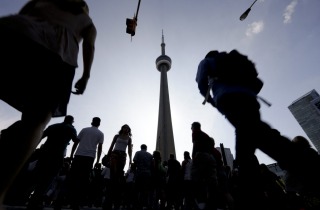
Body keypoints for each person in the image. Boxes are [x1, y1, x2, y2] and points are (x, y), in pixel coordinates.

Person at [0, 0, 96, 209]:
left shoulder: (42, 2)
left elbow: (23, 14)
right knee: (36, 121)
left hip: (19, 35)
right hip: (56, 58)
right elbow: (89, 45)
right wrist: (86, 76)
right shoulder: (87, 22)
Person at [196, 50, 320, 209]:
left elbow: (201, 83)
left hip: (228, 99)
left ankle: (308, 169)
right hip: (248, 98)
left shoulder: (206, 62)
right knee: (255, 137)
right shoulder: (229, 59)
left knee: (256, 139)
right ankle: (252, 191)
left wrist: (212, 101)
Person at [26, 115, 79, 210]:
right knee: (48, 178)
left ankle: (25, 197)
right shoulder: (71, 128)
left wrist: (34, 148)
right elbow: (75, 140)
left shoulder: (53, 126)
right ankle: (35, 201)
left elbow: (40, 136)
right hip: (57, 156)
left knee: (37, 175)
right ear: (72, 121)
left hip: (44, 153)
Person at [67, 117, 104, 210]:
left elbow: (76, 143)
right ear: (99, 124)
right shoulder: (100, 133)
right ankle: (76, 203)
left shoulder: (84, 130)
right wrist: (98, 160)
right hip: (90, 157)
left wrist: (72, 154)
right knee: (83, 179)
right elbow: (99, 148)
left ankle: (63, 200)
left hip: (78, 155)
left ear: (91, 122)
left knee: (72, 177)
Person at [191, 122, 218, 210]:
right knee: (211, 182)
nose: (191, 129)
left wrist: (194, 156)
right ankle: (212, 203)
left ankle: (201, 204)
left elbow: (195, 144)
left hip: (201, 157)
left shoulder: (196, 132)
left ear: (194, 127)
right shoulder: (206, 135)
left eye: (191, 127)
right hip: (210, 158)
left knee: (197, 180)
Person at [105, 124, 133, 210]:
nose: (126, 129)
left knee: (119, 174)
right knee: (113, 174)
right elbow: (111, 145)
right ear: (122, 128)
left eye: (127, 128)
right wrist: (108, 155)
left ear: (129, 130)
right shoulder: (117, 136)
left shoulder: (129, 138)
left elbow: (129, 149)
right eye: (124, 127)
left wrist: (130, 159)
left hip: (123, 156)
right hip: (115, 154)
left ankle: (116, 199)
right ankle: (109, 200)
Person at [133, 144, 153, 210]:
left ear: (140, 147)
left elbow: (135, 162)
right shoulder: (150, 155)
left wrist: (134, 171)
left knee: (137, 189)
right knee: (145, 190)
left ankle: (137, 204)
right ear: (146, 148)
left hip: (139, 173)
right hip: (147, 174)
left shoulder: (138, 153)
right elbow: (152, 165)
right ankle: (144, 204)